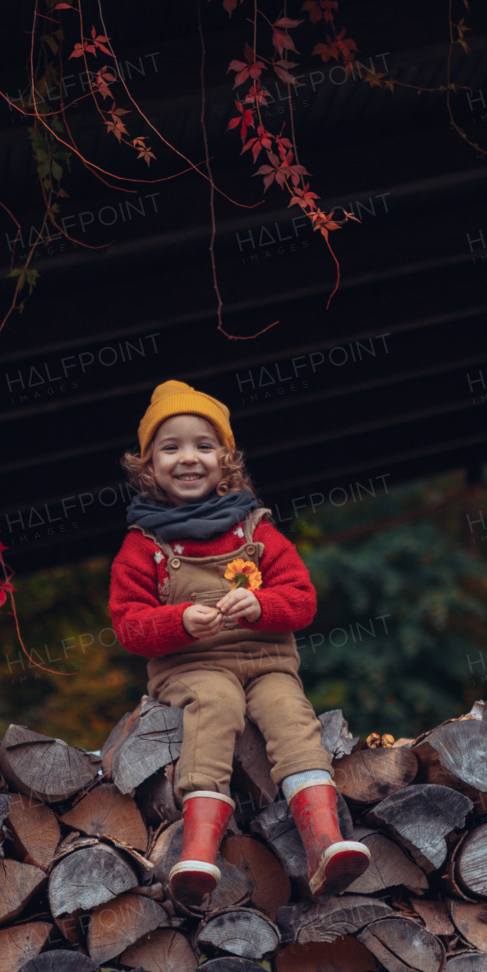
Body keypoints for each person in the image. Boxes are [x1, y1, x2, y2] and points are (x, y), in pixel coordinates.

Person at [110, 378, 370, 901]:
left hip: (268, 663)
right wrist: (180, 622)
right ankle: (199, 852)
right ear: (148, 466)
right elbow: (129, 626)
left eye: (204, 446)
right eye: (171, 447)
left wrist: (262, 604)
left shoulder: (257, 531)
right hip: (192, 668)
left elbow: (302, 599)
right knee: (217, 703)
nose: (189, 458)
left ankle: (326, 844)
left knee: (290, 713)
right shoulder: (144, 547)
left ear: (226, 460)